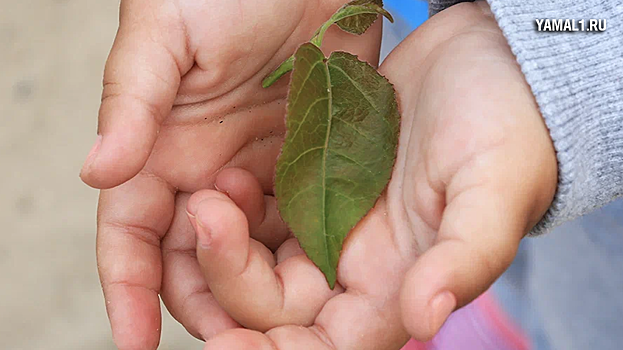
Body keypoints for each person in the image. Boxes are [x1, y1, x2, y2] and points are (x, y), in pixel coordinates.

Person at [79, 0, 623, 349]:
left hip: (570, 110)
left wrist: (551, 46)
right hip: (392, 27)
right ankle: (492, 314)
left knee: (571, 292)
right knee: (452, 213)